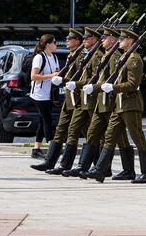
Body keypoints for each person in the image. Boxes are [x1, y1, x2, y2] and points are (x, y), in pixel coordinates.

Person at [87, 28, 146, 183]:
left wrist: (113, 88)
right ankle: (100, 170)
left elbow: (132, 83)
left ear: (131, 40)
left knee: (138, 138)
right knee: (110, 136)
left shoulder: (134, 59)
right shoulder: (124, 57)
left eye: (123, 38)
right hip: (119, 104)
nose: (120, 40)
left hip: (130, 103)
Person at [33, 29, 83, 172]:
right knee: (61, 130)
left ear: (77, 41)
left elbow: (81, 78)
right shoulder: (71, 56)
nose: (66, 40)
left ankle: (79, 166)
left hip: (78, 99)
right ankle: (50, 162)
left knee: (80, 132)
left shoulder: (80, 57)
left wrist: (64, 79)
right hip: (67, 98)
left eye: (70, 38)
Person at [60, 27, 104, 177]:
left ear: (94, 40)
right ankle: (68, 165)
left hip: (91, 99)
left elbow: (94, 78)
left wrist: (75, 84)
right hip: (82, 100)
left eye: (87, 38)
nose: (84, 40)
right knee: (74, 130)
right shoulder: (87, 55)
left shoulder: (97, 56)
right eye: (83, 38)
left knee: (95, 134)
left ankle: (98, 167)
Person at [28, 34, 60, 159]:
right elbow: (33, 76)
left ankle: (36, 148)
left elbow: (57, 72)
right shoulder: (39, 57)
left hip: (49, 93)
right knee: (47, 119)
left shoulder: (54, 57)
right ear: (48, 44)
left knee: (42, 120)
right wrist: (51, 76)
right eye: (55, 42)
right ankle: (51, 147)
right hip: (39, 93)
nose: (56, 45)